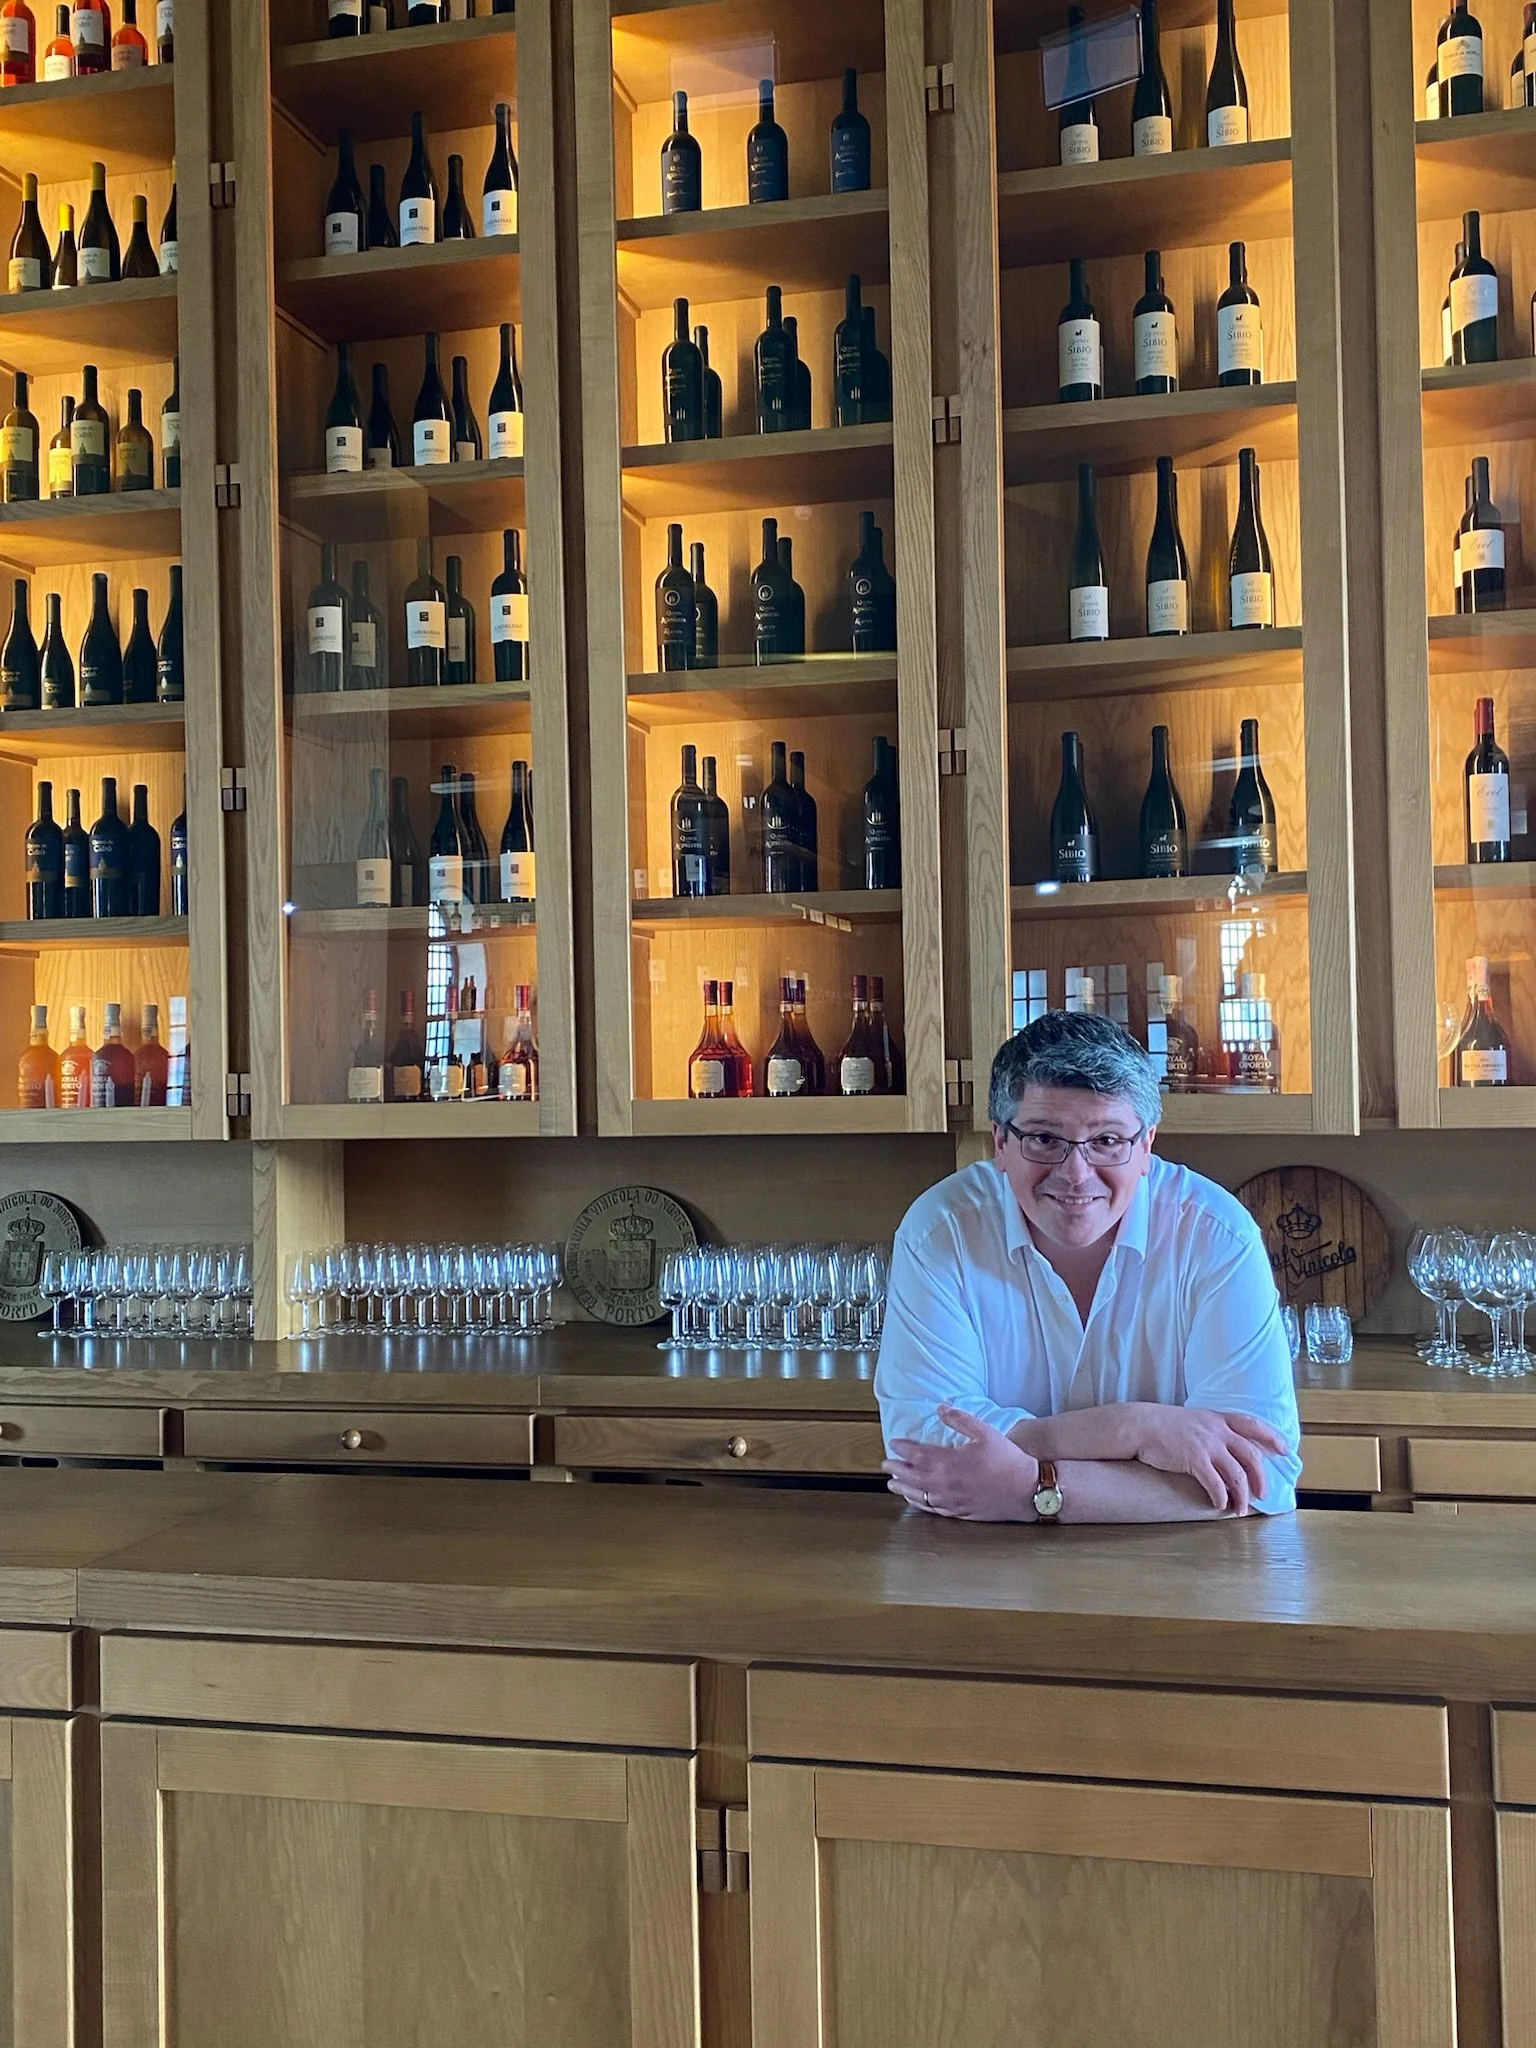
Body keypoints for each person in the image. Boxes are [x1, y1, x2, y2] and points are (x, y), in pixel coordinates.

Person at [877, 1009, 1301, 1523]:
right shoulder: (940, 1230)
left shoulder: (1216, 1235)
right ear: (1001, 1143)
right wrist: (1136, 1429)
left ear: (1146, 1146)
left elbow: (1261, 1478)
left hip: (1184, 1574)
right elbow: (925, 1450)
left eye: (1106, 1141)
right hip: (980, 1576)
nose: (1076, 1174)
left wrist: (1027, 1488)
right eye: (1044, 1138)